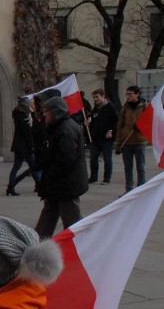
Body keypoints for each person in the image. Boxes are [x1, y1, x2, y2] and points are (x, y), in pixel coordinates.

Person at [33, 96, 88, 239]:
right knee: (49, 214)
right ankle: (37, 243)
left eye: (47, 111)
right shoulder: (58, 127)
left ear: (56, 112)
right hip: (58, 184)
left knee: (71, 221)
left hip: (66, 184)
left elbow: (66, 159)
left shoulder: (66, 129)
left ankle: (77, 245)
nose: (44, 114)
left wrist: (50, 174)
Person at [115, 85, 147, 193]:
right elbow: (120, 126)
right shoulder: (125, 108)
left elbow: (150, 122)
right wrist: (118, 144)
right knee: (128, 169)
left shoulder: (145, 107)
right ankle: (128, 190)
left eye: (130, 94)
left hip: (140, 141)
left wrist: (140, 127)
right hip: (126, 142)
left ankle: (141, 190)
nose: (128, 96)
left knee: (140, 168)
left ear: (137, 94)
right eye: (127, 94)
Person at [7, 95, 41, 196]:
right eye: (29, 102)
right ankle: (40, 185)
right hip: (24, 146)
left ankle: (11, 187)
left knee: (17, 166)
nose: (30, 103)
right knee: (33, 166)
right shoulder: (22, 115)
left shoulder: (24, 113)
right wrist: (31, 146)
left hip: (20, 145)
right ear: (25, 104)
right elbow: (26, 133)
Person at [86, 89, 118, 185]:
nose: (95, 99)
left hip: (106, 139)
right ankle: (93, 177)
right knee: (93, 158)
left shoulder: (110, 108)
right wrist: (88, 123)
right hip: (95, 138)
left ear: (103, 96)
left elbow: (117, 122)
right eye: (94, 97)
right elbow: (93, 121)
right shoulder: (95, 109)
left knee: (107, 158)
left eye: (97, 97)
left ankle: (106, 178)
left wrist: (112, 130)